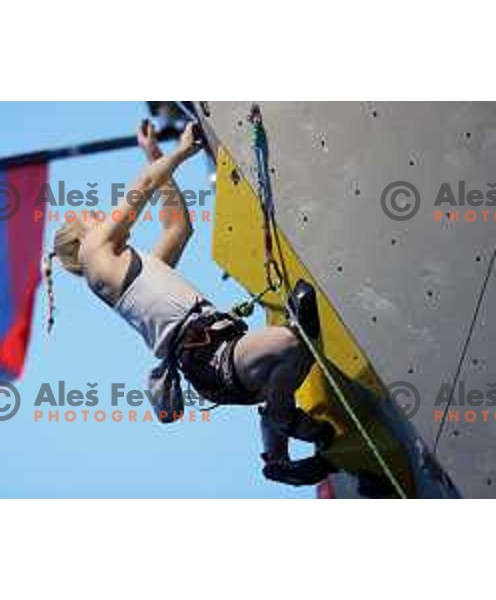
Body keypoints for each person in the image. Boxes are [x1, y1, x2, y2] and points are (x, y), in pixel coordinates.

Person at [43, 119, 335, 486]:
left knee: (297, 342)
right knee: (291, 343)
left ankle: (280, 444)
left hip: (221, 351)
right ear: (82, 239)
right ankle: (282, 432)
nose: (104, 217)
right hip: (211, 359)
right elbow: (145, 185)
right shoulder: (92, 255)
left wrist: (154, 154)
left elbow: (178, 226)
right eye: (95, 218)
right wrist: (181, 152)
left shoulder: (132, 269)